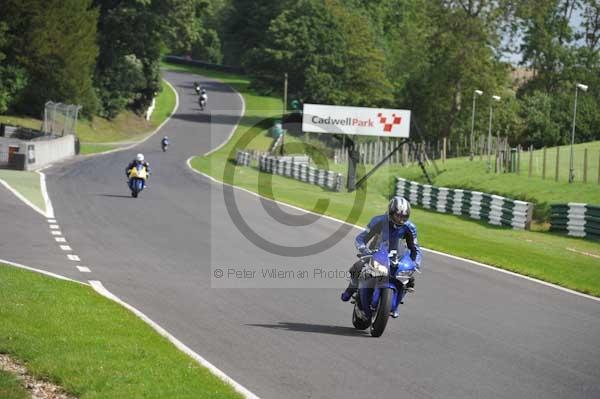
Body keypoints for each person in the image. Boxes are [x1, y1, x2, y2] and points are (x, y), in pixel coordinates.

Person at [341, 196, 422, 317]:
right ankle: (349, 291)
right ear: (391, 212)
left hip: (395, 256)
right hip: (376, 252)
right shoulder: (378, 221)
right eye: (397, 216)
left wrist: (415, 262)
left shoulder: (409, 228)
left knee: (409, 279)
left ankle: (396, 303)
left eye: (403, 217)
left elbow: (415, 247)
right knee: (358, 266)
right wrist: (364, 249)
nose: (400, 220)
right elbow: (361, 238)